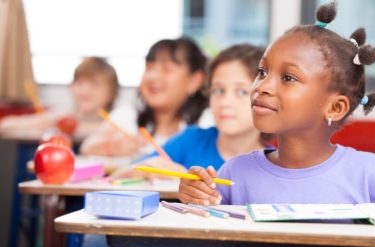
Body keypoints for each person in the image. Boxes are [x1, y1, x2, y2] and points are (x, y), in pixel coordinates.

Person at [176, 2, 375, 206]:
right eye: (262, 72)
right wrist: (196, 197)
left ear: (335, 108)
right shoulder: (233, 174)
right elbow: (212, 243)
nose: (261, 86)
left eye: (288, 78)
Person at [112, 44, 270, 178]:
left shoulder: (275, 159)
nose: (225, 102)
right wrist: (150, 167)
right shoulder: (190, 140)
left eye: (241, 92)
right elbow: (119, 176)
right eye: (218, 91)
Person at [80, 38, 209, 157]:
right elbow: (86, 148)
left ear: (194, 80)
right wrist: (111, 147)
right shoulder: (128, 115)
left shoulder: (206, 123)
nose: (152, 76)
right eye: (149, 68)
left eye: (166, 69)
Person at [0, 57, 119, 136]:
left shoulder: (118, 119)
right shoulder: (62, 116)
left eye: (94, 84)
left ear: (111, 93)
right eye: (79, 83)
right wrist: (41, 123)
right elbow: (5, 125)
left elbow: (117, 131)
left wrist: (74, 128)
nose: (84, 90)